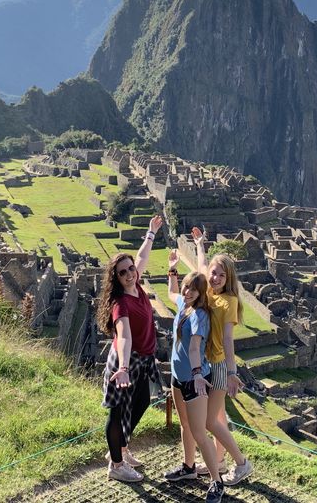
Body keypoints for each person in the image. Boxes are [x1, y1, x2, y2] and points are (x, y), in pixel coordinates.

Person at [97, 215, 163, 483]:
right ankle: (116, 464)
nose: (129, 274)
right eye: (122, 272)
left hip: (143, 360)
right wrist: (123, 367)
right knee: (118, 411)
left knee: (142, 401)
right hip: (125, 363)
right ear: (116, 277)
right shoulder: (120, 303)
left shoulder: (137, 287)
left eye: (130, 269)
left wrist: (150, 233)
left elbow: (142, 257)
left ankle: (121, 447)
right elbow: (123, 335)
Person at [163, 250, 226, 503]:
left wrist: (199, 374)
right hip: (178, 376)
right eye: (187, 288)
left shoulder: (199, 316)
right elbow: (171, 293)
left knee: (200, 432)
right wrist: (172, 270)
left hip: (194, 379)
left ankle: (217, 482)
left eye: (193, 290)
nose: (187, 292)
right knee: (185, 425)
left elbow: (193, 346)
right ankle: (188, 468)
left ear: (201, 295)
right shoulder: (184, 305)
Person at [193, 226, 254, 486]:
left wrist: (232, 373)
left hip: (218, 366)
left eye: (221, 274)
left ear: (229, 278)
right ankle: (217, 462)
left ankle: (242, 464)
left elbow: (228, 339)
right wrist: (199, 244)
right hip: (207, 364)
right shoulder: (210, 292)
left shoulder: (228, 302)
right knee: (218, 418)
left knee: (210, 421)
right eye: (214, 274)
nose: (215, 277)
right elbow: (202, 266)